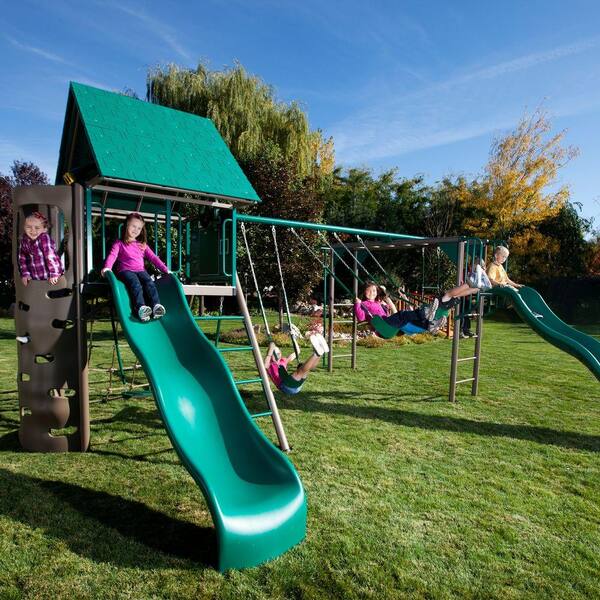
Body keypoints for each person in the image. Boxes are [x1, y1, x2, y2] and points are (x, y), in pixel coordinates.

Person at [101, 212, 168, 322]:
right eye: (133, 226)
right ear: (126, 225)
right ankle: (140, 308)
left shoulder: (142, 245)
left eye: (139, 228)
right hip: (125, 270)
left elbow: (153, 258)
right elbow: (112, 255)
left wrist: (165, 269)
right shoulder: (119, 243)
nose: (136, 230)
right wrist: (107, 267)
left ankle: (156, 306)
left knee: (149, 282)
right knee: (135, 283)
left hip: (140, 270)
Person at [16, 211, 64, 344]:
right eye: (28, 227)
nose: (32, 230)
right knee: (34, 310)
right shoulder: (24, 240)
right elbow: (22, 258)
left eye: (37, 227)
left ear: (44, 229)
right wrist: (25, 274)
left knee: (50, 310)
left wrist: (54, 273)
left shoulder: (44, 238)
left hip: (50, 281)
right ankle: (30, 336)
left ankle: (54, 336)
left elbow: (50, 255)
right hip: (37, 281)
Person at [354, 281, 442, 334]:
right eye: (369, 291)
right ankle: (424, 313)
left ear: (377, 292)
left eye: (374, 291)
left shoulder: (378, 302)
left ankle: (430, 325)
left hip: (387, 323)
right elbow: (361, 317)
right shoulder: (363, 304)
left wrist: (385, 303)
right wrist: (357, 304)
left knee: (408, 319)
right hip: (383, 327)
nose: (372, 293)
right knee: (402, 314)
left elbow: (388, 308)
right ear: (364, 292)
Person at [265, 334, 329, 395]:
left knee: (305, 368)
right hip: (285, 387)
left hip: (295, 384)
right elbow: (265, 364)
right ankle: (317, 353)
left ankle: (320, 352)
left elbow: (297, 351)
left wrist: (293, 338)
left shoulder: (283, 361)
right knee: (300, 371)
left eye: (278, 353)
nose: (277, 355)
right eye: (274, 354)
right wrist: (271, 348)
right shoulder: (269, 364)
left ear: (281, 353)